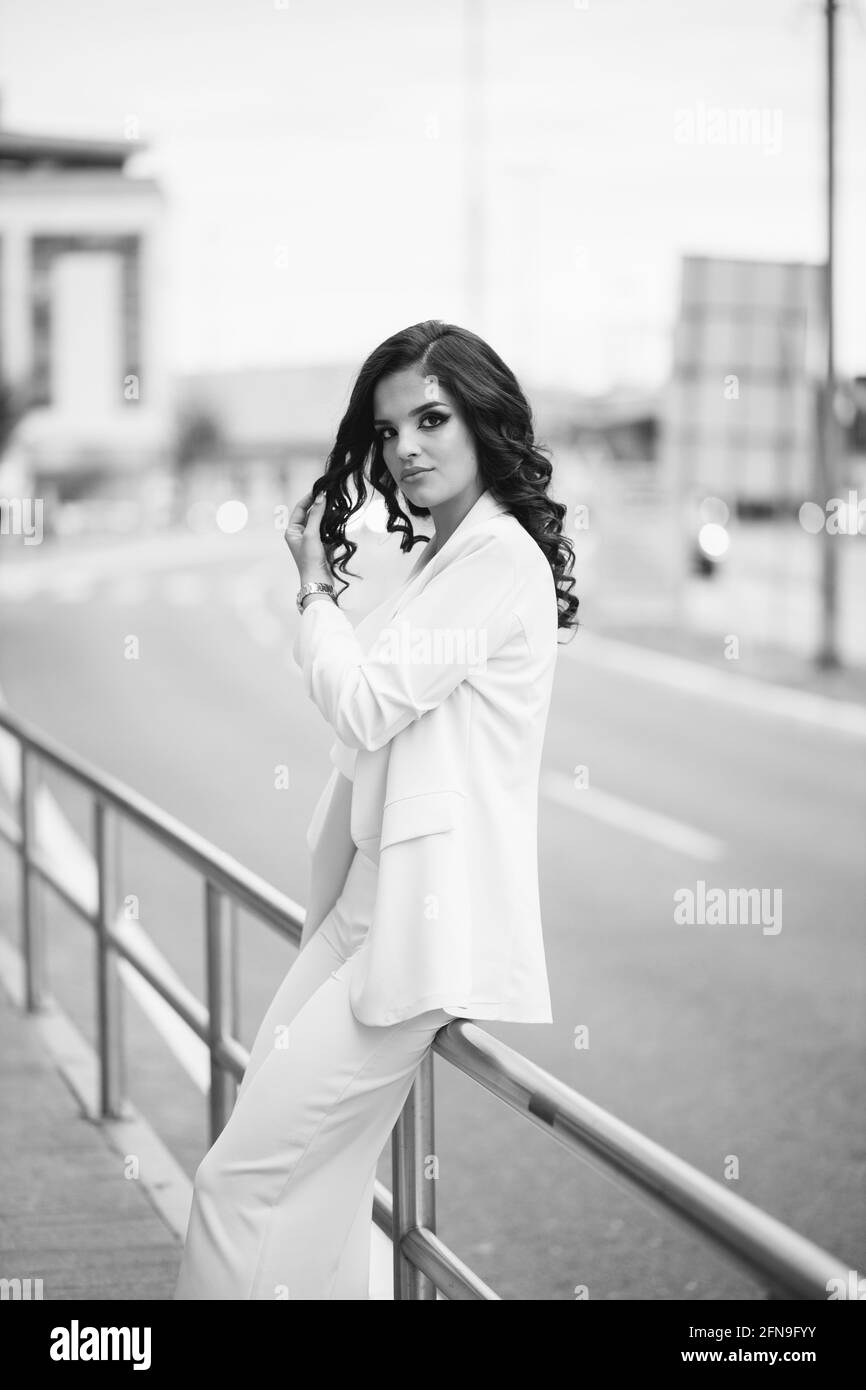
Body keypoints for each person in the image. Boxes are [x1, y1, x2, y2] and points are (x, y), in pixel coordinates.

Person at [173, 319, 579, 1300]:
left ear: (484, 423)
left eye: (431, 419)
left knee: (238, 1182)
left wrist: (312, 587)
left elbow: (360, 699)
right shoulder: (441, 558)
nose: (405, 447)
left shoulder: (496, 560)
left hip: (416, 927)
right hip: (363, 908)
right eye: (388, 427)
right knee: (316, 1183)